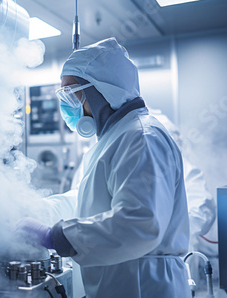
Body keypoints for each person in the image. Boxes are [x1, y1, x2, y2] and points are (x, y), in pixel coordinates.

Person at [17, 38, 191, 297]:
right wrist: (35, 209)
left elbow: (139, 223)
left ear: (101, 90)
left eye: (69, 93)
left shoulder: (142, 137)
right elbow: (91, 203)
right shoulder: (115, 138)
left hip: (144, 286)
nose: (65, 103)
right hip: (124, 283)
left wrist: (54, 237)